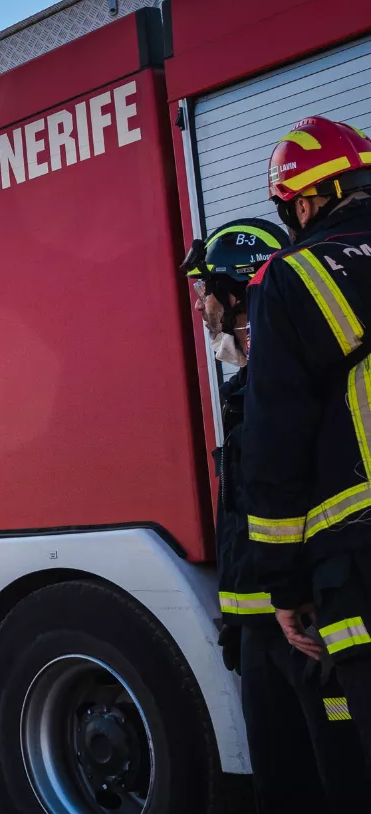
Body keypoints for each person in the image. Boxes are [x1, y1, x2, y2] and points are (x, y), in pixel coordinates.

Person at [186, 218, 366, 810]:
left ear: (236, 292)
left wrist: (296, 596)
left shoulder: (295, 387)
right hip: (263, 629)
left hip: (308, 629)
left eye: (206, 293)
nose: (203, 311)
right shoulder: (250, 388)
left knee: (337, 785)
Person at [241, 115, 371, 757]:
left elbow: (276, 441)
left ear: (308, 199)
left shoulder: (294, 276)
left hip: (361, 563)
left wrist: (284, 588)